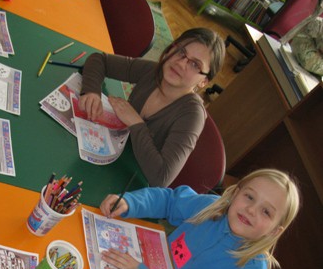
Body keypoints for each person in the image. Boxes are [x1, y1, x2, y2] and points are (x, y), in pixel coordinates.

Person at [99, 168, 301, 269]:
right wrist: (131, 202)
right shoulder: (211, 207)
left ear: (274, 231)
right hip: (141, 265)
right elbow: (170, 201)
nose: (251, 210)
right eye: (249, 196)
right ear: (236, 193)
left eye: (266, 211)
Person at [78, 28, 225, 187]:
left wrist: (136, 123)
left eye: (195, 64)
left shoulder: (192, 115)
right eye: (181, 51)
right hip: (112, 153)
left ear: (204, 81)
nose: (181, 63)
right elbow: (99, 60)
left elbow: (161, 178)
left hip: (130, 182)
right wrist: (92, 91)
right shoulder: (155, 71)